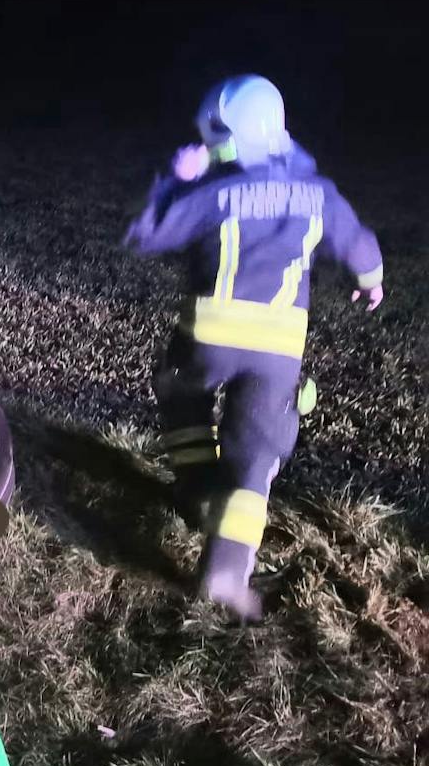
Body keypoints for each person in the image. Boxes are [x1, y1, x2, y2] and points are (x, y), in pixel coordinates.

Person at [124, 75, 385, 622]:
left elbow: (146, 234)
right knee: (256, 455)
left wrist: (174, 179)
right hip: (277, 350)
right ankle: (224, 573)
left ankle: (196, 487)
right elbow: (360, 247)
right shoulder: (320, 194)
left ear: (232, 140)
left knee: (179, 386)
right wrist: (371, 280)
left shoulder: (214, 192)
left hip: (208, 338)